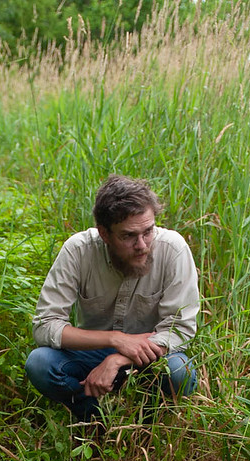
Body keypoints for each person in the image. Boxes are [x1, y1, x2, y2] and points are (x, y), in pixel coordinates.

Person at [26, 175, 200, 425]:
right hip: (90, 354)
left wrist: (119, 357)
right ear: (104, 234)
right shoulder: (78, 250)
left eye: (148, 231)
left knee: (178, 371)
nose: (142, 245)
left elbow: (180, 329)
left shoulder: (173, 250)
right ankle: (93, 421)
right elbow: (45, 326)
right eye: (128, 236)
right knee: (40, 363)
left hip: (153, 356)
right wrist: (114, 340)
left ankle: (146, 425)